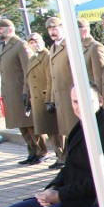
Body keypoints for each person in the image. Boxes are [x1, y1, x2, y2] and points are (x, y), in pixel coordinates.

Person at [0, 19, 46, 165]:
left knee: (30, 124)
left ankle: (41, 151)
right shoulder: (3, 46)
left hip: (21, 90)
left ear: (10, 29)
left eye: (1, 28)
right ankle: (32, 151)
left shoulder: (20, 44)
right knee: (22, 125)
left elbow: (28, 70)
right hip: (10, 91)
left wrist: (27, 91)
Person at [24, 32, 62, 162]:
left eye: (37, 41)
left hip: (45, 97)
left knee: (54, 130)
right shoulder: (32, 58)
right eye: (32, 43)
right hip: (36, 99)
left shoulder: (47, 56)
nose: (35, 45)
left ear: (43, 41)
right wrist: (26, 95)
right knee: (49, 130)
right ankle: (59, 156)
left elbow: (51, 79)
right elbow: (28, 79)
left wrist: (49, 99)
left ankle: (62, 157)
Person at [47, 16, 74, 168]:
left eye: (55, 28)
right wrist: (51, 99)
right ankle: (68, 160)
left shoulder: (68, 45)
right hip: (59, 98)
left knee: (75, 130)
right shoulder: (53, 48)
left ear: (62, 28)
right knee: (66, 131)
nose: (53, 31)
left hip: (70, 96)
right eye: (50, 29)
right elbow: (52, 77)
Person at [78, 19, 104, 96]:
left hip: (92, 95)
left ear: (84, 31)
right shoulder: (78, 47)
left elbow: (100, 77)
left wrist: (98, 96)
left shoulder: (95, 47)